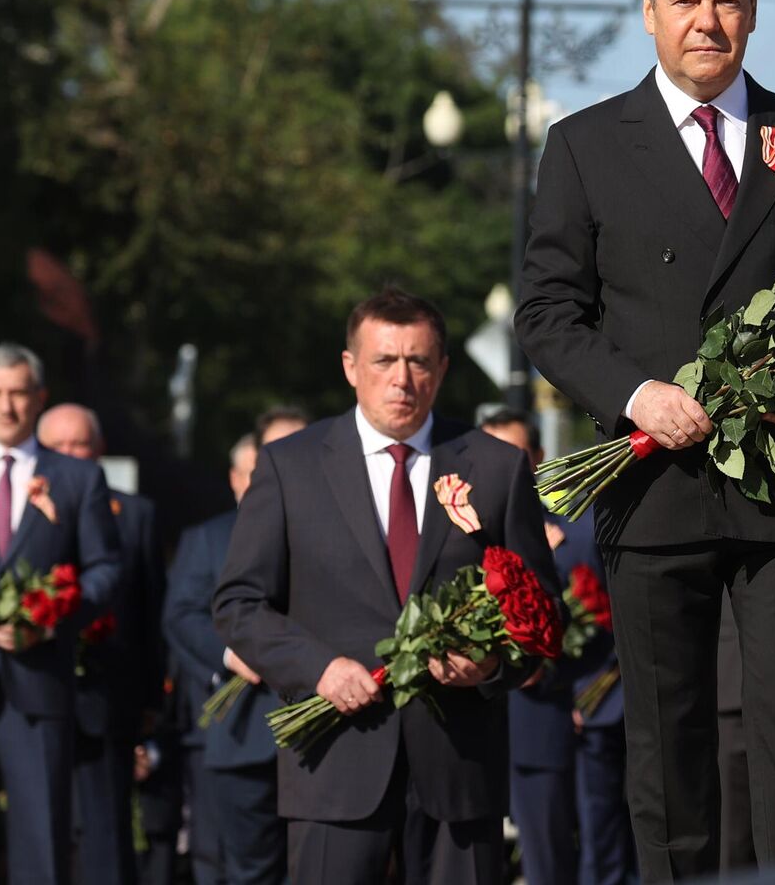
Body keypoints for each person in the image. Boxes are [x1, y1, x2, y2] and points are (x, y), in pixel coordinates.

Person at [514, 0, 775, 879]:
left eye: (727, 0)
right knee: (668, 746)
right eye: (686, 0)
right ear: (648, 10)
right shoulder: (586, 145)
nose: (707, 21)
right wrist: (633, 395)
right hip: (654, 482)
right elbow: (547, 316)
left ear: (754, 10)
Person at [212, 289, 559, 882]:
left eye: (418, 361)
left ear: (442, 369)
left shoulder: (495, 468)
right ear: (351, 367)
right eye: (384, 361)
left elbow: (544, 612)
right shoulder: (290, 468)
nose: (402, 379)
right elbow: (239, 604)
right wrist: (318, 668)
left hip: (459, 770)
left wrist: (491, 662)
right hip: (335, 763)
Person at [0, 343, 122, 885]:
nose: (7, 406)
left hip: (39, 688)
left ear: (39, 398)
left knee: (43, 845)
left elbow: (105, 569)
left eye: (18, 393)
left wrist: (51, 617)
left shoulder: (76, 480)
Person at [484, 408, 635, 885]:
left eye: (515, 455)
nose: (502, 467)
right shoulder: (464, 542)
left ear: (538, 457)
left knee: (605, 849)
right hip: (511, 726)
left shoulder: (580, 532)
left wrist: (591, 689)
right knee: (540, 859)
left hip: (586, 719)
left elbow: (617, 621)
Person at [164, 407, 306, 885]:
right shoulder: (209, 538)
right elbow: (180, 616)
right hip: (244, 734)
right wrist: (232, 654)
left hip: (326, 731)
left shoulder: (345, 528)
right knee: (250, 872)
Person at [37, 403, 166, 885]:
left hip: (109, 698)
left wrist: (152, 700)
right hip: (30, 693)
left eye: (79, 445)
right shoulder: (16, 514)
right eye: (57, 447)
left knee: (106, 834)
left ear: (100, 450)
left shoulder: (135, 515)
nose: (70, 455)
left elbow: (151, 610)